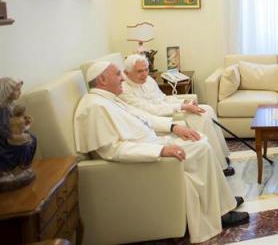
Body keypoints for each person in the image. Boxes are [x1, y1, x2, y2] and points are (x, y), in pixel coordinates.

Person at [74, 62, 249, 242]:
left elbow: (144, 117)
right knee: (201, 146)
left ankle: (222, 202)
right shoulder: (94, 107)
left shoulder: (109, 99)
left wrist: (173, 127)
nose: (123, 78)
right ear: (102, 79)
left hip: (154, 142)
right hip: (145, 158)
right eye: (118, 74)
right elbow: (113, 150)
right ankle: (220, 212)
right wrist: (161, 150)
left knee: (200, 140)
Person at [120, 54, 234, 176]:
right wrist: (182, 107)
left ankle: (219, 156)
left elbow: (162, 98)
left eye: (146, 69)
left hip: (168, 110)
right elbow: (150, 110)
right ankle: (219, 167)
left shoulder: (148, 80)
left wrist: (183, 102)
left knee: (206, 109)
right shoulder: (123, 90)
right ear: (127, 73)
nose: (144, 74)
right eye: (139, 71)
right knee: (200, 117)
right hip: (158, 119)